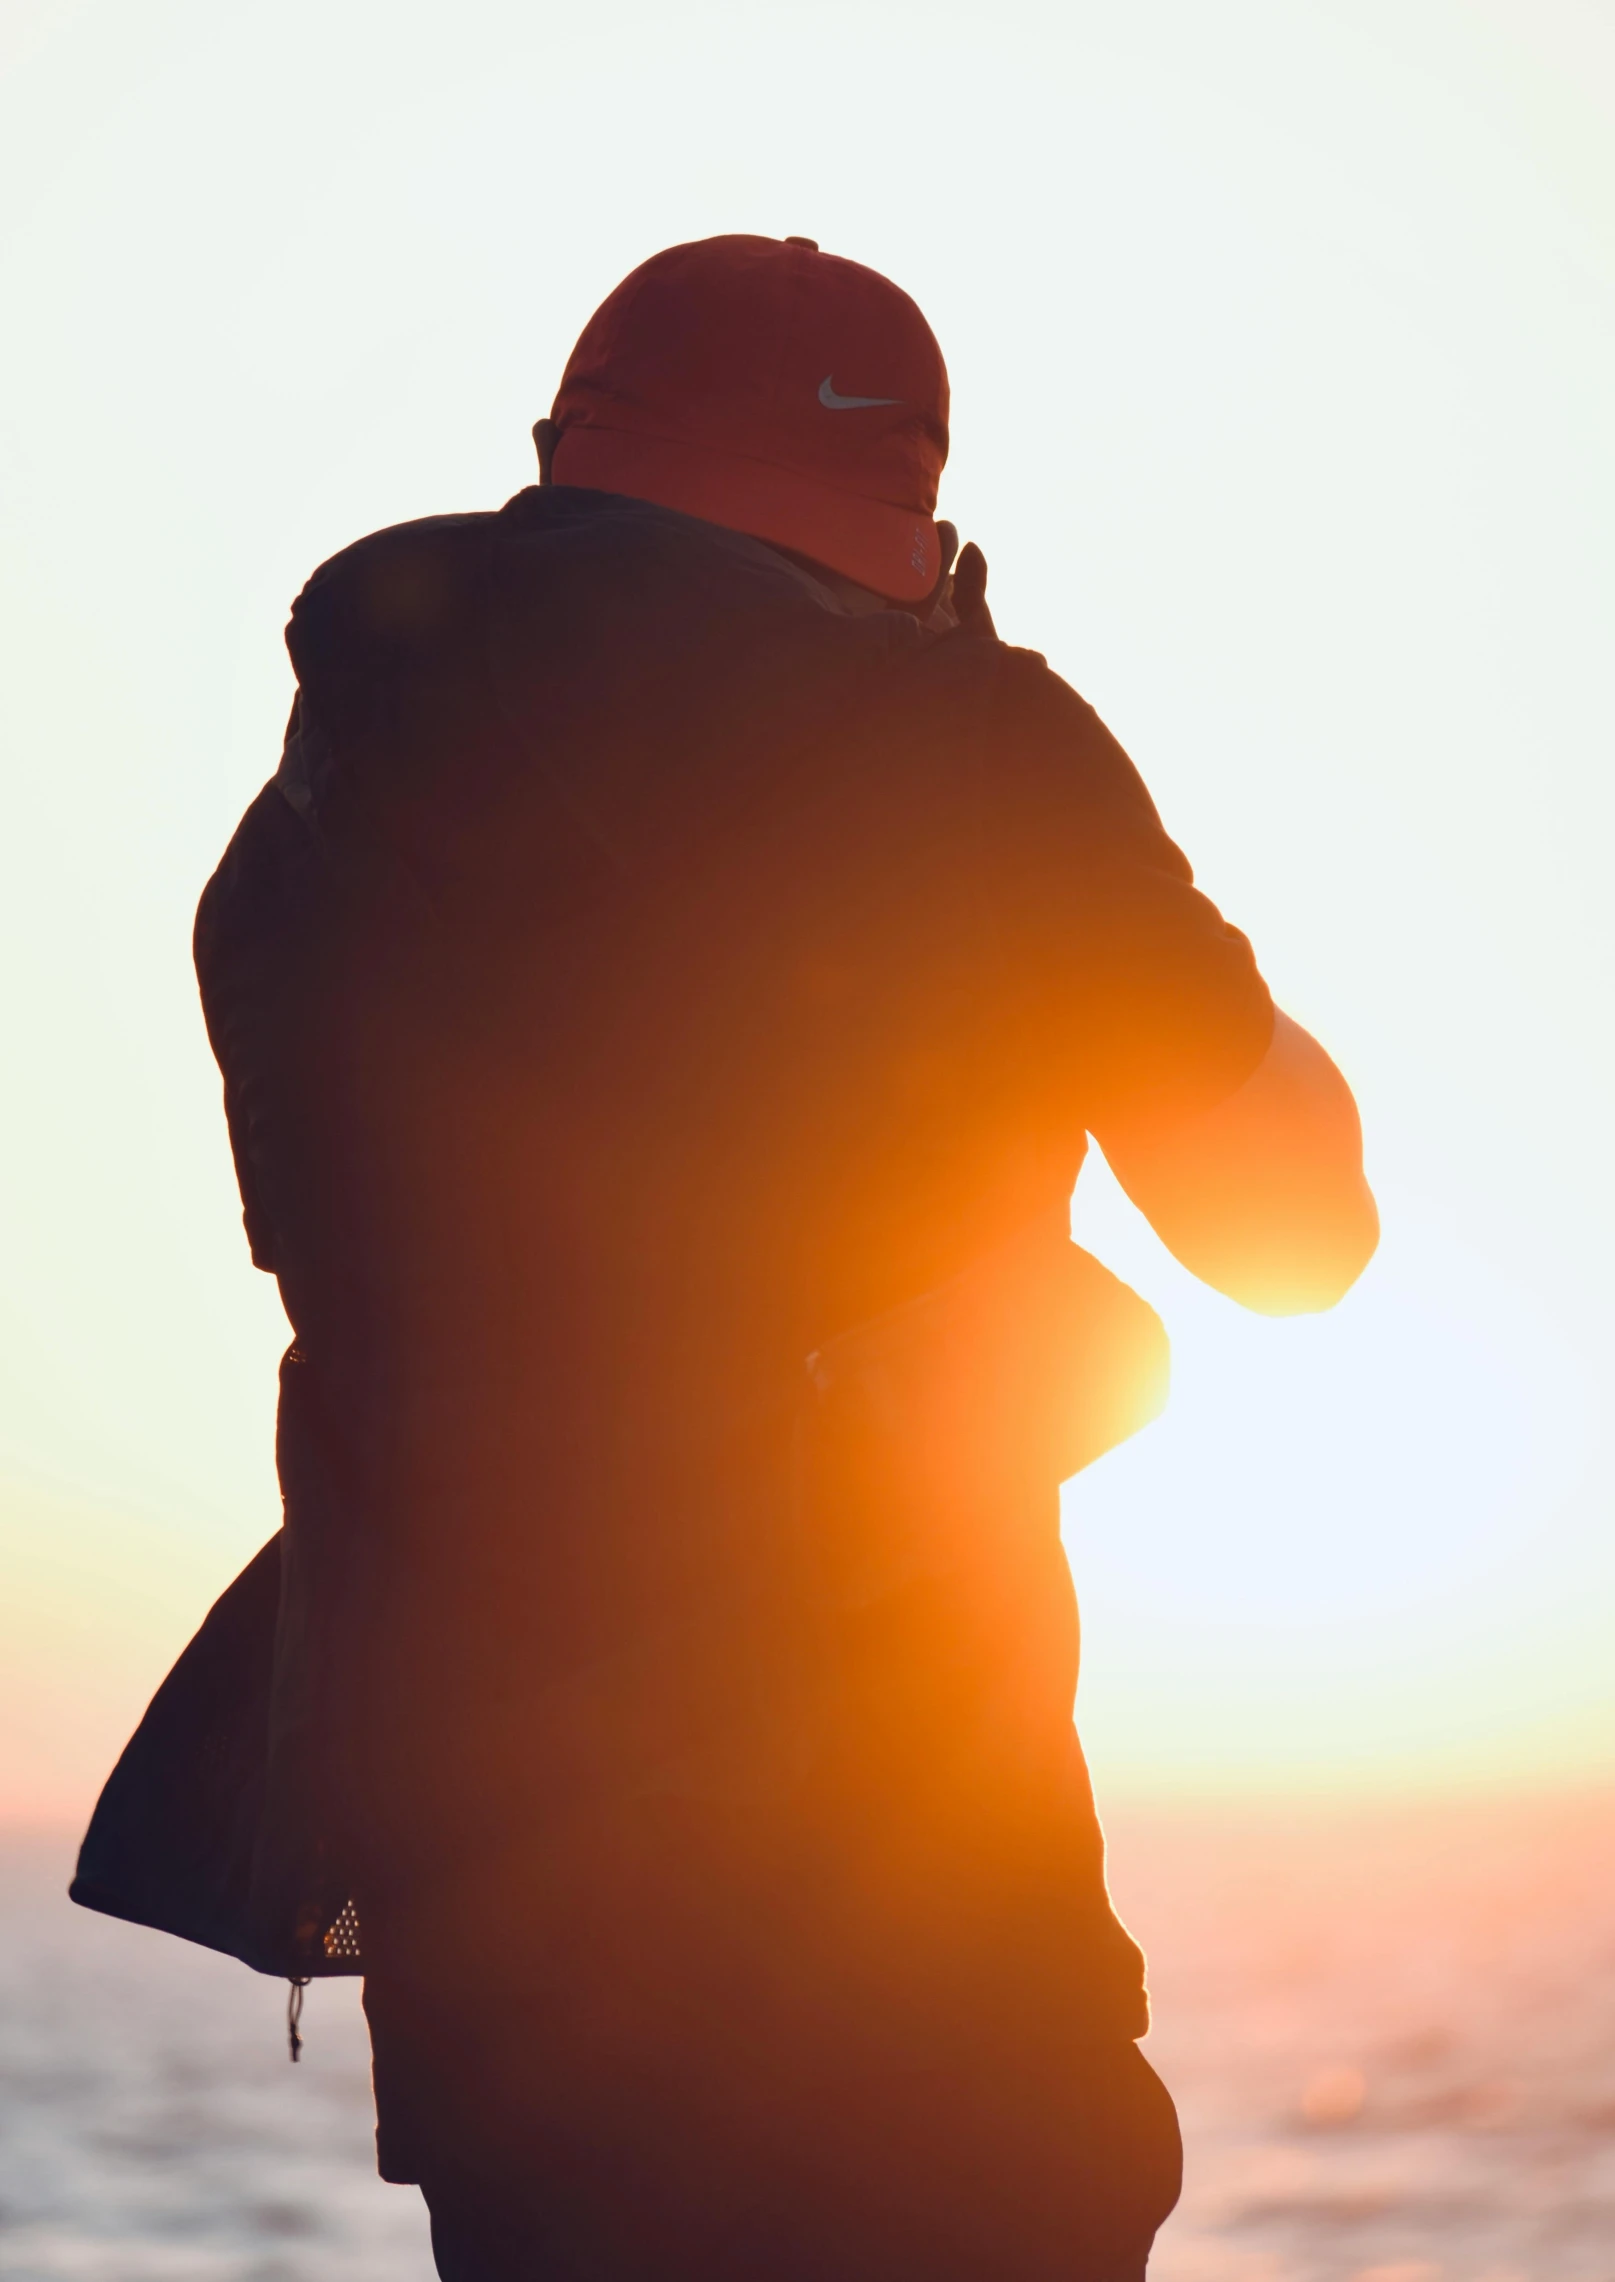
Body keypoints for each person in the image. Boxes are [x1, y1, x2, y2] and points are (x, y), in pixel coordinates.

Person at [73, 235, 1377, 2279]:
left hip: (505, 1951)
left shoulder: (308, 824)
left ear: (567, 455)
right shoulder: (975, 748)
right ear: (912, 504)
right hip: (907, 1926)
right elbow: (1298, 1236)